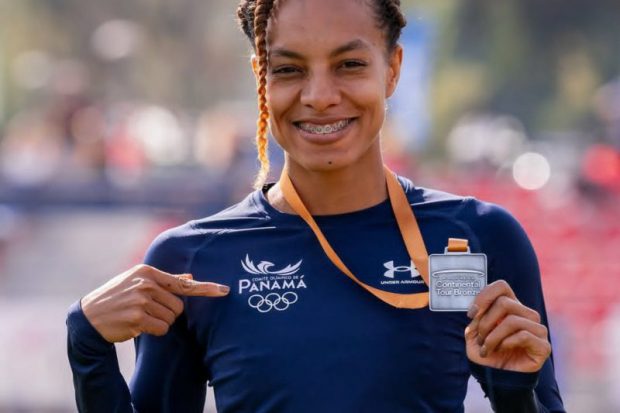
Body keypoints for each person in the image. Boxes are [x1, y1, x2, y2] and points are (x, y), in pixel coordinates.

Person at [66, 0, 566, 411]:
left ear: (393, 69)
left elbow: (534, 400)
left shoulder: (476, 239)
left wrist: (514, 394)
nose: (320, 96)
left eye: (350, 65)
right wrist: (87, 344)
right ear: (261, 79)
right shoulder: (191, 262)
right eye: (289, 69)